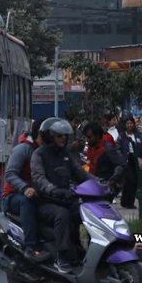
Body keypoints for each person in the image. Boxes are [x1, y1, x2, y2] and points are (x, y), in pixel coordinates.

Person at [31, 118, 94, 275]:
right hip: (45, 203)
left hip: (64, 199)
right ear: (49, 136)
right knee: (62, 215)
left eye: (65, 136)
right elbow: (39, 179)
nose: (63, 139)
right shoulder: (39, 155)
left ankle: (83, 249)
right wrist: (52, 190)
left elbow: (81, 173)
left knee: (87, 211)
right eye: (59, 136)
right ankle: (62, 256)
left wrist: (99, 183)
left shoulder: (65, 154)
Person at [0, 118, 49, 262]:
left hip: (37, 194)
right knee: (27, 201)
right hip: (13, 196)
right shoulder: (23, 149)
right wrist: (25, 188)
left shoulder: (45, 151)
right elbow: (9, 174)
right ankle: (31, 247)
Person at [117, 114, 142, 209]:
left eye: (131, 123)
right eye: (128, 123)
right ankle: (124, 201)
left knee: (135, 181)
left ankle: (130, 203)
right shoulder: (122, 136)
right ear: (125, 125)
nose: (129, 125)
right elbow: (118, 148)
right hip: (126, 160)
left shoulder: (138, 135)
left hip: (136, 159)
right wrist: (121, 158)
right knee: (129, 180)